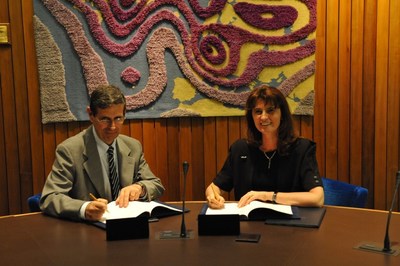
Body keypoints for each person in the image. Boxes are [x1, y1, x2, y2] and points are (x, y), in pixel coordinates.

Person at [40, 85, 165, 221]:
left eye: (118, 118)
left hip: (128, 225)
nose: (112, 127)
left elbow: (155, 184)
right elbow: (50, 197)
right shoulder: (70, 150)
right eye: (105, 119)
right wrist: (84, 208)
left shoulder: (133, 146)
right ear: (91, 115)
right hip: (89, 231)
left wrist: (140, 188)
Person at [205, 85, 324, 209]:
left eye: (270, 110)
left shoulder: (302, 149)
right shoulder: (240, 149)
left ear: (282, 114)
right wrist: (212, 196)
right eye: (258, 111)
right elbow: (214, 187)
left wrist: (267, 196)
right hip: (247, 225)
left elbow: (317, 198)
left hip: (289, 225)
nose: (263, 117)